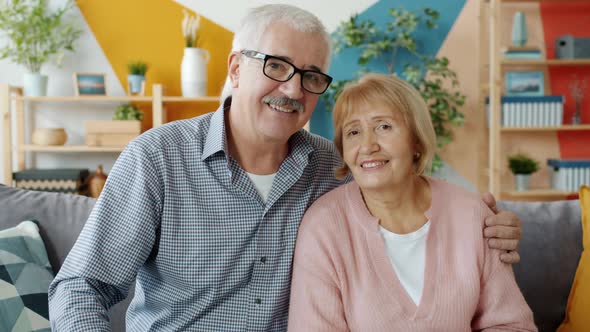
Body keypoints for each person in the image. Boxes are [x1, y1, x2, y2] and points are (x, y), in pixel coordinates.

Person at [49, 4, 523, 331]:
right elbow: (81, 286)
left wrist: (489, 223)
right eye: (276, 66)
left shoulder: (331, 166)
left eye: (311, 76)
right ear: (236, 69)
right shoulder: (159, 159)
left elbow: (406, 193)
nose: (294, 90)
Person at [287, 73, 536, 331]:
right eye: (353, 132)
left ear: (415, 140)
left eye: (383, 126)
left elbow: (511, 325)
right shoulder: (324, 226)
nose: (367, 145)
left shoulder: (471, 213)